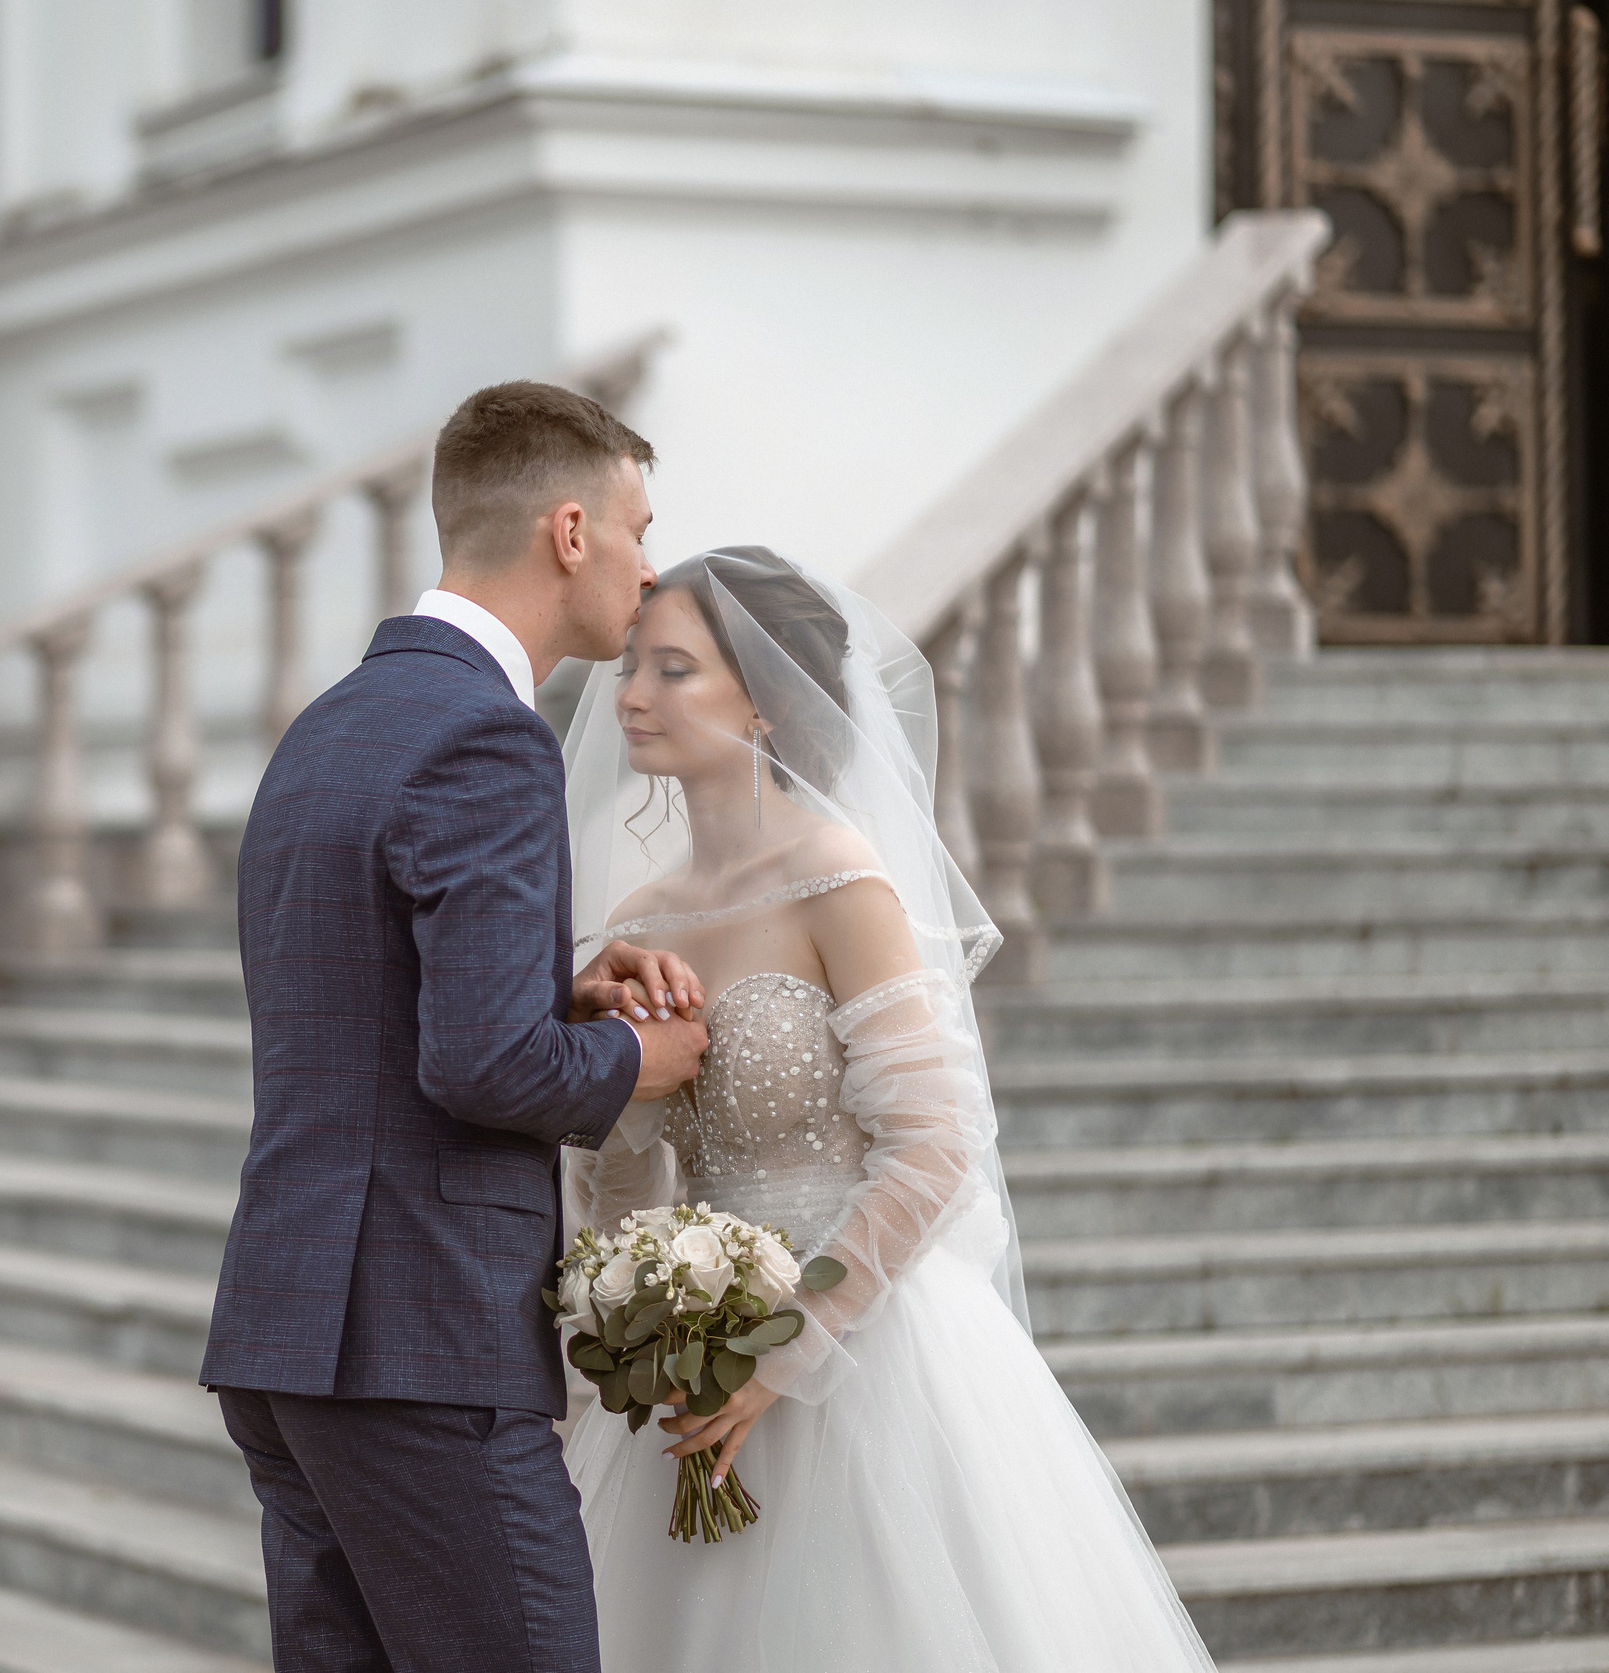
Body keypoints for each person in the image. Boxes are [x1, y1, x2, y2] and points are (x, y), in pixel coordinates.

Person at [559, 546, 1215, 1672]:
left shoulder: (836, 875)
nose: (628, 695)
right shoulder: (639, 917)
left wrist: (783, 1354)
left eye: (673, 670)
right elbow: (627, 1183)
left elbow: (932, 1144)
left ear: (763, 708)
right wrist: (628, 1128)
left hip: (863, 1356)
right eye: (631, 664)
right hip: (691, 1371)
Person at [202, 381, 710, 1673]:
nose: (651, 569)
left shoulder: (328, 726)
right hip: (420, 1340)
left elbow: (370, 1001)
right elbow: (481, 1064)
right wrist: (639, 1058)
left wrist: (562, 991)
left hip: (289, 1327)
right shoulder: (487, 735)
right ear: (571, 529)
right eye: (641, 530)